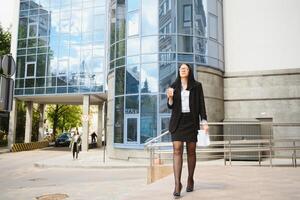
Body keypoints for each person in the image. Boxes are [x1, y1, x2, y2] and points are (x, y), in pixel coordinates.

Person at [167, 63, 209, 197]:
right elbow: (170, 106)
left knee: (191, 151)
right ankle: (177, 184)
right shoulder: (173, 86)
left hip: (191, 121)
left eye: (185, 68)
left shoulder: (197, 86)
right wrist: (170, 98)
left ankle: (190, 178)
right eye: (180, 68)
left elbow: (201, 104)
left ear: (189, 71)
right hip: (178, 121)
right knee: (177, 149)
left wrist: (204, 121)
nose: (182, 70)